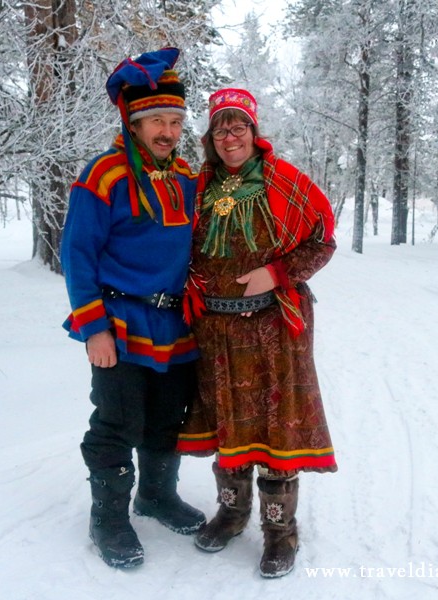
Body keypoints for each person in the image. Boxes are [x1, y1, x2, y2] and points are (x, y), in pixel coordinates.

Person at [177, 88, 337, 578]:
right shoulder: (197, 187)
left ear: (254, 131)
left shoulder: (284, 181)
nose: (230, 137)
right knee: (228, 420)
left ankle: (280, 531)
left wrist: (278, 273)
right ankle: (231, 513)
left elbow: (322, 240)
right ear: (210, 138)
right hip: (215, 330)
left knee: (275, 426)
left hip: (274, 328)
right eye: (220, 129)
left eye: (238, 127)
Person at [60, 47, 205, 569]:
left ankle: (156, 496)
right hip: (120, 323)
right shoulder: (104, 174)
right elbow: (77, 254)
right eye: (157, 121)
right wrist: (93, 329)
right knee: (117, 420)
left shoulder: (185, 175)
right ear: (135, 122)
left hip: (175, 324)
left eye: (176, 121)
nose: (168, 131)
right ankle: (109, 518)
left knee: (168, 418)